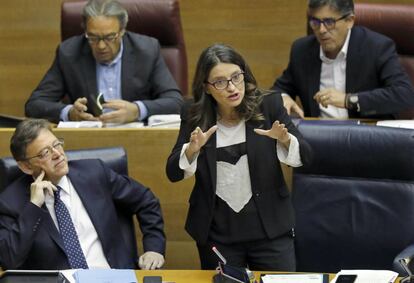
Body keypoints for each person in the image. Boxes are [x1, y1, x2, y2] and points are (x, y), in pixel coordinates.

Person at [166, 44, 312, 271]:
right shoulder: (194, 115)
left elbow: (307, 156)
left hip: (270, 230)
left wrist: (284, 140)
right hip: (217, 234)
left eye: (237, 77)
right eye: (220, 82)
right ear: (206, 87)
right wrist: (192, 150)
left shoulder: (269, 105)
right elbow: (173, 173)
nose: (232, 87)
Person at [0, 119, 165, 270]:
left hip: (114, 277)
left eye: (56, 145)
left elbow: (146, 200)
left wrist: (154, 249)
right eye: (45, 153)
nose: (57, 154)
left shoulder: (94, 173)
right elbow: (9, 261)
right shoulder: (10, 203)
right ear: (26, 167)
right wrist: (33, 206)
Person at [25, 0, 183, 124]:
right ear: (85, 31)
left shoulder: (147, 50)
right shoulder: (69, 53)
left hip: (136, 135)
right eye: (93, 38)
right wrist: (69, 112)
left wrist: (137, 110)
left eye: (109, 37)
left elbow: (175, 102)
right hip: (90, 138)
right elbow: (34, 104)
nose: (101, 46)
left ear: (122, 31)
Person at [271, 0, 414, 119]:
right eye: (315, 22)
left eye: (329, 22)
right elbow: (279, 89)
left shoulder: (376, 47)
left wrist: (348, 100)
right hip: (319, 138)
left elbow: (403, 94)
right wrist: (283, 97)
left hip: (367, 137)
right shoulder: (302, 50)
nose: (321, 30)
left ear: (349, 21)